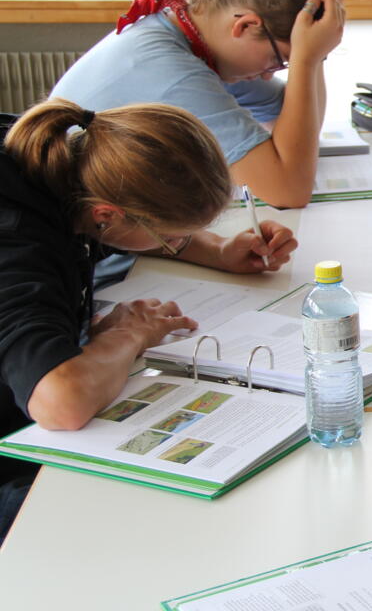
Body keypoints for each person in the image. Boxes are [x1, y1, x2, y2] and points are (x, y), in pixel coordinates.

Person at [0, 99, 297, 542]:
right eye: (172, 237)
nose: (179, 244)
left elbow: (125, 226)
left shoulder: (64, 159)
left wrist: (217, 249)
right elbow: (60, 403)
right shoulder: (20, 249)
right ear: (106, 214)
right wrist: (130, 333)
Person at [52, 0, 346, 209]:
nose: (270, 76)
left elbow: (290, 114)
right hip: (93, 246)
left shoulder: (195, 34)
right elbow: (287, 191)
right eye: (276, 60)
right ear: (244, 26)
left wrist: (312, 55)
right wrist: (306, 60)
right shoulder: (174, 74)